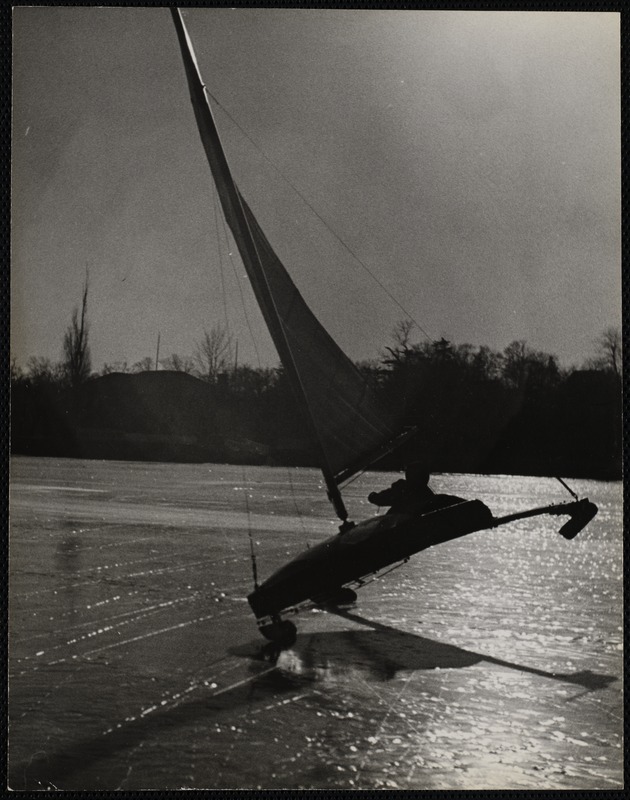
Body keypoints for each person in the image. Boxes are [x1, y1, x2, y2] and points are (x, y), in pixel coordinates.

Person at [368, 463, 465, 517]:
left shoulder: (403, 488)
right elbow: (381, 499)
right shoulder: (428, 495)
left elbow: (380, 499)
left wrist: (373, 496)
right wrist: (374, 497)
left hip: (401, 525)